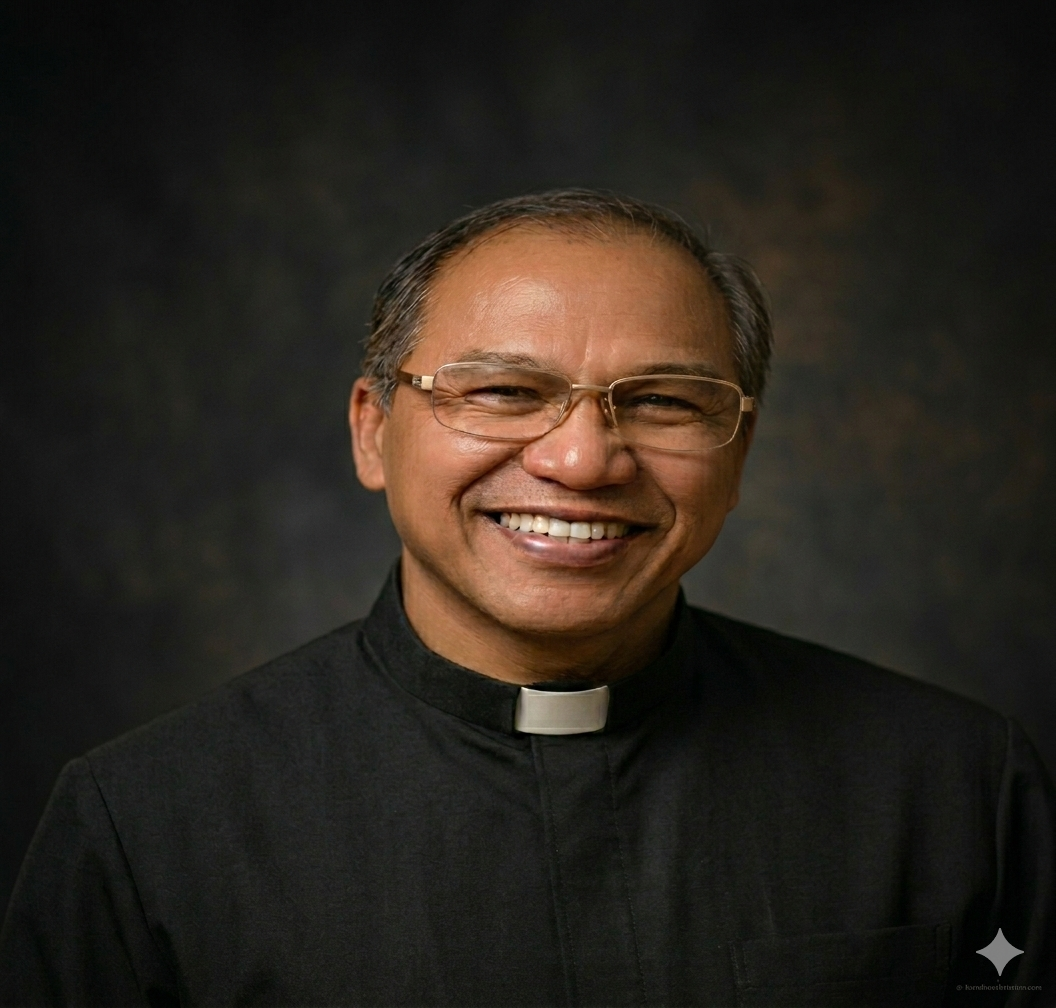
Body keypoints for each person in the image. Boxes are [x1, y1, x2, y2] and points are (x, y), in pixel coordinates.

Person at [1, 189, 1052, 1008]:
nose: (584, 460)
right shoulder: (145, 827)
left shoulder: (958, 792)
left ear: (739, 452)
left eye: (662, 402)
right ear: (373, 430)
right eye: (505, 391)